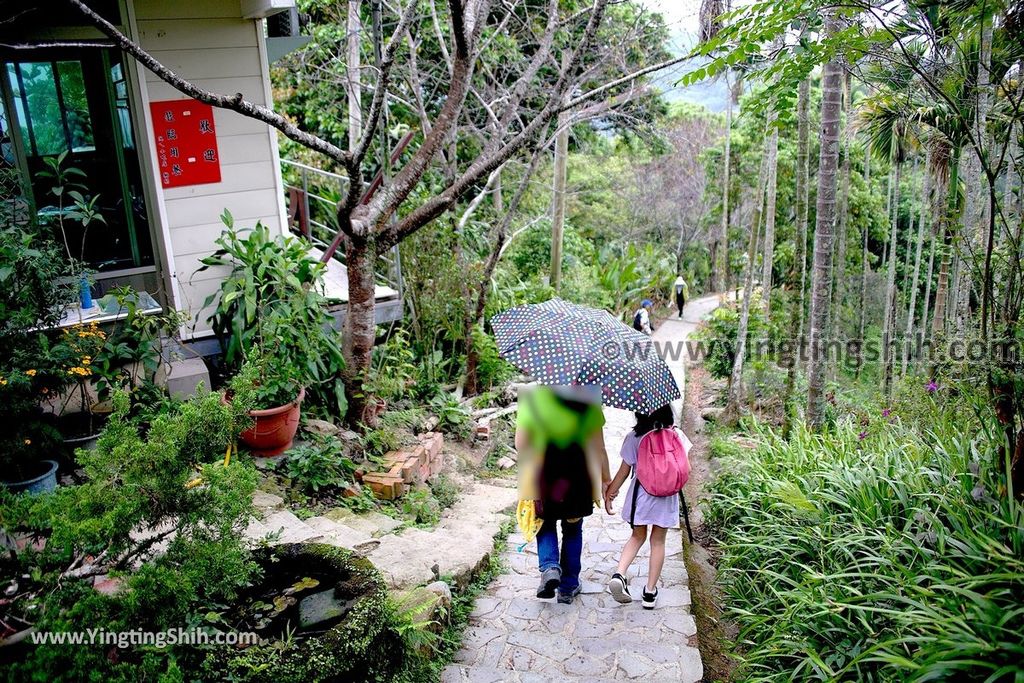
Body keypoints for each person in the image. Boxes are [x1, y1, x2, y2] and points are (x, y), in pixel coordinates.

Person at [515, 385, 610, 604]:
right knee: (573, 529)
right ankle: (568, 587)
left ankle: (549, 568)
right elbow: (599, 447)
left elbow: (521, 445)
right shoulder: (589, 396)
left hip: (544, 474)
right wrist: (606, 479)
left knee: (545, 523)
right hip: (579, 476)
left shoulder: (532, 397)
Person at [603, 403, 690, 609]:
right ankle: (650, 593)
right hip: (666, 499)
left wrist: (610, 493)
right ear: (668, 411)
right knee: (658, 542)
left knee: (637, 536)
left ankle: (620, 574)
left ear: (639, 412)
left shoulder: (635, 437)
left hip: (641, 496)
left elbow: (623, 472)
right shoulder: (678, 435)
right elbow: (687, 468)